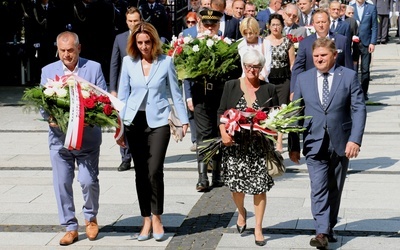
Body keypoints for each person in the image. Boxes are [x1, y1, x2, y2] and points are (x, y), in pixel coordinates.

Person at [289, 37, 366, 249]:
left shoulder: (348, 76)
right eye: (316, 56)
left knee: (335, 188)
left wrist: (355, 139)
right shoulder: (304, 79)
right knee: (318, 187)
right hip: (314, 142)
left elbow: (359, 108)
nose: (319, 59)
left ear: (334, 55)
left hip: (341, 142)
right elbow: (297, 111)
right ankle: (321, 231)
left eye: (323, 55)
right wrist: (293, 144)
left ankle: (329, 225)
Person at [117, 22, 189, 242]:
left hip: (158, 121)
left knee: (154, 170)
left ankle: (157, 216)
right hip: (133, 122)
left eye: (147, 42)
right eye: (140, 43)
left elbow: (175, 92)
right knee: (140, 172)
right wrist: (119, 127)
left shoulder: (166, 62)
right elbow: (122, 96)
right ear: (134, 43)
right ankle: (145, 218)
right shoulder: (128, 62)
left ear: (154, 41)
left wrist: (184, 119)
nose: (144, 46)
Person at [40, 31, 107, 246]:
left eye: (70, 50)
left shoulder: (93, 68)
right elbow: (43, 105)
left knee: (88, 181)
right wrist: (50, 117)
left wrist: (89, 118)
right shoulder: (47, 71)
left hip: (87, 139)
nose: (67, 55)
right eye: (62, 51)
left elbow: (103, 99)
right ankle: (70, 226)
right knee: (62, 183)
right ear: (57, 50)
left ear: (79, 48)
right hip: (59, 140)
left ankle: (90, 217)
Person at [218, 49, 279, 247]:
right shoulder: (231, 85)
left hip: (259, 147)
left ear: (261, 68)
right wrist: (223, 133)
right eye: (248, 66)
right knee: (237, 187)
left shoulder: (269, 89)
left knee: (259, 187)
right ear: (243, 66)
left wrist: (276, 138)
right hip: (235, 146)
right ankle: (242, 212)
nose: (252, 70)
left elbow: (276, 117)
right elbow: (221, 112)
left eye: (256, 67)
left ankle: (259, 228)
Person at [183, 9, 227, 191]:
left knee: (218, 134)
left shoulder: (225, 44)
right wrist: (188, 96)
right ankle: (202, 177)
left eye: (213, 24)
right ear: (200, 25)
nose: (210, 28)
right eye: (206, 24)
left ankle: (216, 174)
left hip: (219, 96)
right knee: (203, 136)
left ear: (218, 25)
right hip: (200, 95)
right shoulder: (192, 44)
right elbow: (184, 72)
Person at [290, 9, 353, 95]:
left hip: (338, 86)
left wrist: (351, 88)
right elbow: (298, 68)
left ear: (329, 22)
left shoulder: (341, 40)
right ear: (313, 24)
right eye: (318, 22)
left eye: (323, 22)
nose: (321, 25)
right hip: (313, 87)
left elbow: (348, 66)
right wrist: (294, 89)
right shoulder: (305, 43)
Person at [110, 6, 142, 172]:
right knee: (122, 120)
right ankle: (125, 157)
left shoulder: (146, 37)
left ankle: (139, 155)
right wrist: (113, 88)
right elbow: (114, 64)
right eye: (130, 21)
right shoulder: (120, 38)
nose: (133, 24)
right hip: (124, 87)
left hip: (141, 87)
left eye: (136, 21)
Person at [265, 13, 295, 152]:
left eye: (278, 25)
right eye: (273, 25)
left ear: (282, 26)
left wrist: (294, 84)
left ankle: (279, 141)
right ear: (269, 26)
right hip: (269, 79)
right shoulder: (264, 41)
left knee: (282, 110)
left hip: (284, 79)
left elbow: (292, 64)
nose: (275, 27)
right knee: (270, 110)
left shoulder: (288, 42)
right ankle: (269, 138)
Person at [351, 0, 377, 100]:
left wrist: (373, 42)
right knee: (354, 69)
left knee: (365, 69)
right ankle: (354, 92)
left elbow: (374, 26)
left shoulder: (371, 8)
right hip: (354, 43)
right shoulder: (351, 7)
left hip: (366, 42)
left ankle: (364, 92)